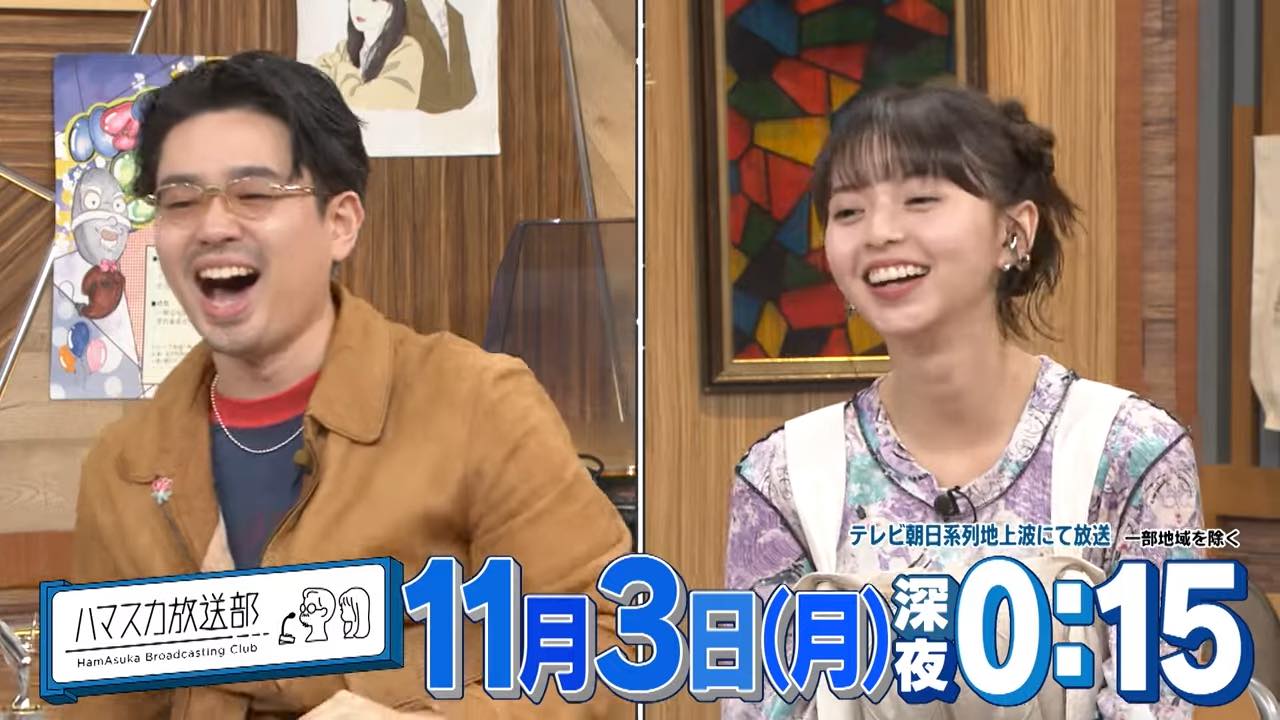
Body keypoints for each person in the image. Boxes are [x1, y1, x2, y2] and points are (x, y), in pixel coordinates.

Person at [68, 51, 632, 719]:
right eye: (181, 200)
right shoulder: (124, 468)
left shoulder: (479, 406)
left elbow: (608, 650)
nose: (213, 226)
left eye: (254, 194)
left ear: (340, 223)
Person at [724, 85, 1203, 719]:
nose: (880, 233)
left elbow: (1156, 702)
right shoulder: (783, 476)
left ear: (1012, 232)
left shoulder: (1133, 453)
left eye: (921, 200)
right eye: (849, 211)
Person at [313, 0, 425, 110]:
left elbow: (360, 101)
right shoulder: (344, 48)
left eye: (373, 0)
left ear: (392, 8)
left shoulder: (407, 51)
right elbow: (317, 83)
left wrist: (341, 69)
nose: (360, 7)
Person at [405, 0, 477, 114]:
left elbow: (465, 76)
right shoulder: (404, 14)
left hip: (463, 109)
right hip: (422, 112)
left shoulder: (456, 17)